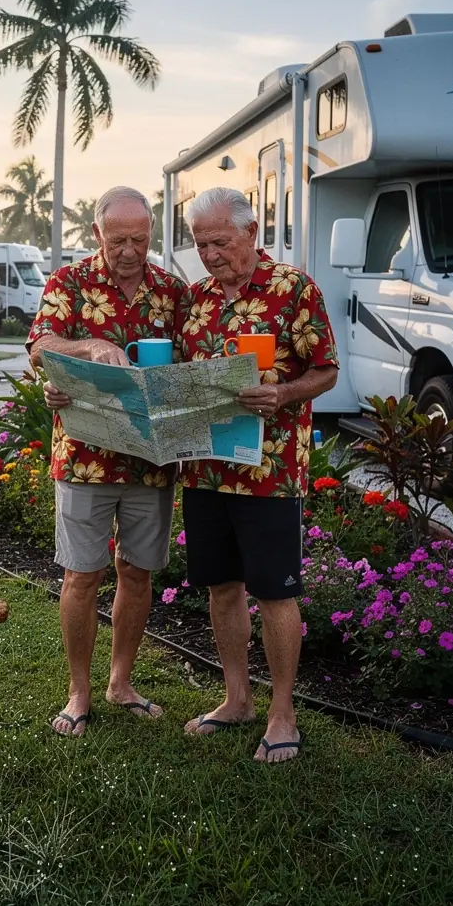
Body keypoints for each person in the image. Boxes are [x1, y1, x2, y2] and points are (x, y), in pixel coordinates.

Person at [177, 186, 338, 763]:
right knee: (221, 586)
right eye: (201, 244)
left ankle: (283, 712)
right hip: (202, 468)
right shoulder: (193, 299)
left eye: (220, 241)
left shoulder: (294, 289)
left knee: (274, 591)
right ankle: (238, 698)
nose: (211, 254)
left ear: (251, 232)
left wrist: (284, 393)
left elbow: (326, 370)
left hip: (270, 473)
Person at [26, 185, 191, 736]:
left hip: (151, 460)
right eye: (118, 238)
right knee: (81, 576)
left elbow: (195, 360)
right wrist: (89, 347)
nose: (129, 249)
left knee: (137, 575)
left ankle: (121, 682)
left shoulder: (172, 290)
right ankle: (79, 692)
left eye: (139, 239)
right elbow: (40, 346)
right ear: (96, 234)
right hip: (85, 460)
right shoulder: (69, 283)